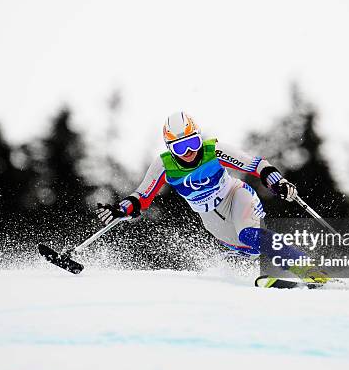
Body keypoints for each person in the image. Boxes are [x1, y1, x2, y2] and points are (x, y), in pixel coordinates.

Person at [96, 112, 328, 286]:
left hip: (236, 196)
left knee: (250, 234)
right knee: (248, 249)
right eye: (180, 147)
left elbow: (256, 165)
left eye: (192, 142)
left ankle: (309, 269)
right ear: (170, 148)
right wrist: (121, 209)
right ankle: (280, 274)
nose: (188, 151)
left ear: (198, 138)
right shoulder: (163, 166)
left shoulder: (213, 151)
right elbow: (142, 197)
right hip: (211, 219)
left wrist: (278, 182)